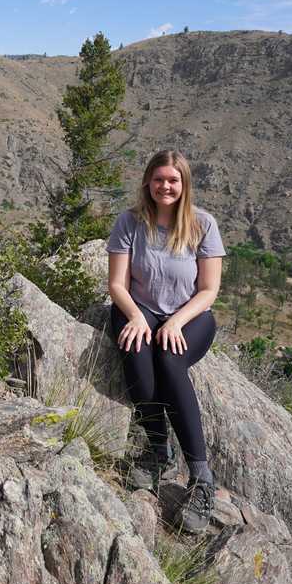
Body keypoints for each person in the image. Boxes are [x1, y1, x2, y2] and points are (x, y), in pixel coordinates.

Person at [106, 149, 226, 533]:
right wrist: (139, 316)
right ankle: (157, 451)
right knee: (137, 356)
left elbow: (209, 290)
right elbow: (116, 284)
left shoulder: (202, 225)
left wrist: (175, 322)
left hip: (190, 316)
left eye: (173, 180)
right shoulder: (130, 222)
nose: (165, 186)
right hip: (138, 308)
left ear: (184, 184)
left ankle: (201, 477)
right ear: (148, 182)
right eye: (159, 179)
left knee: (170, 361)